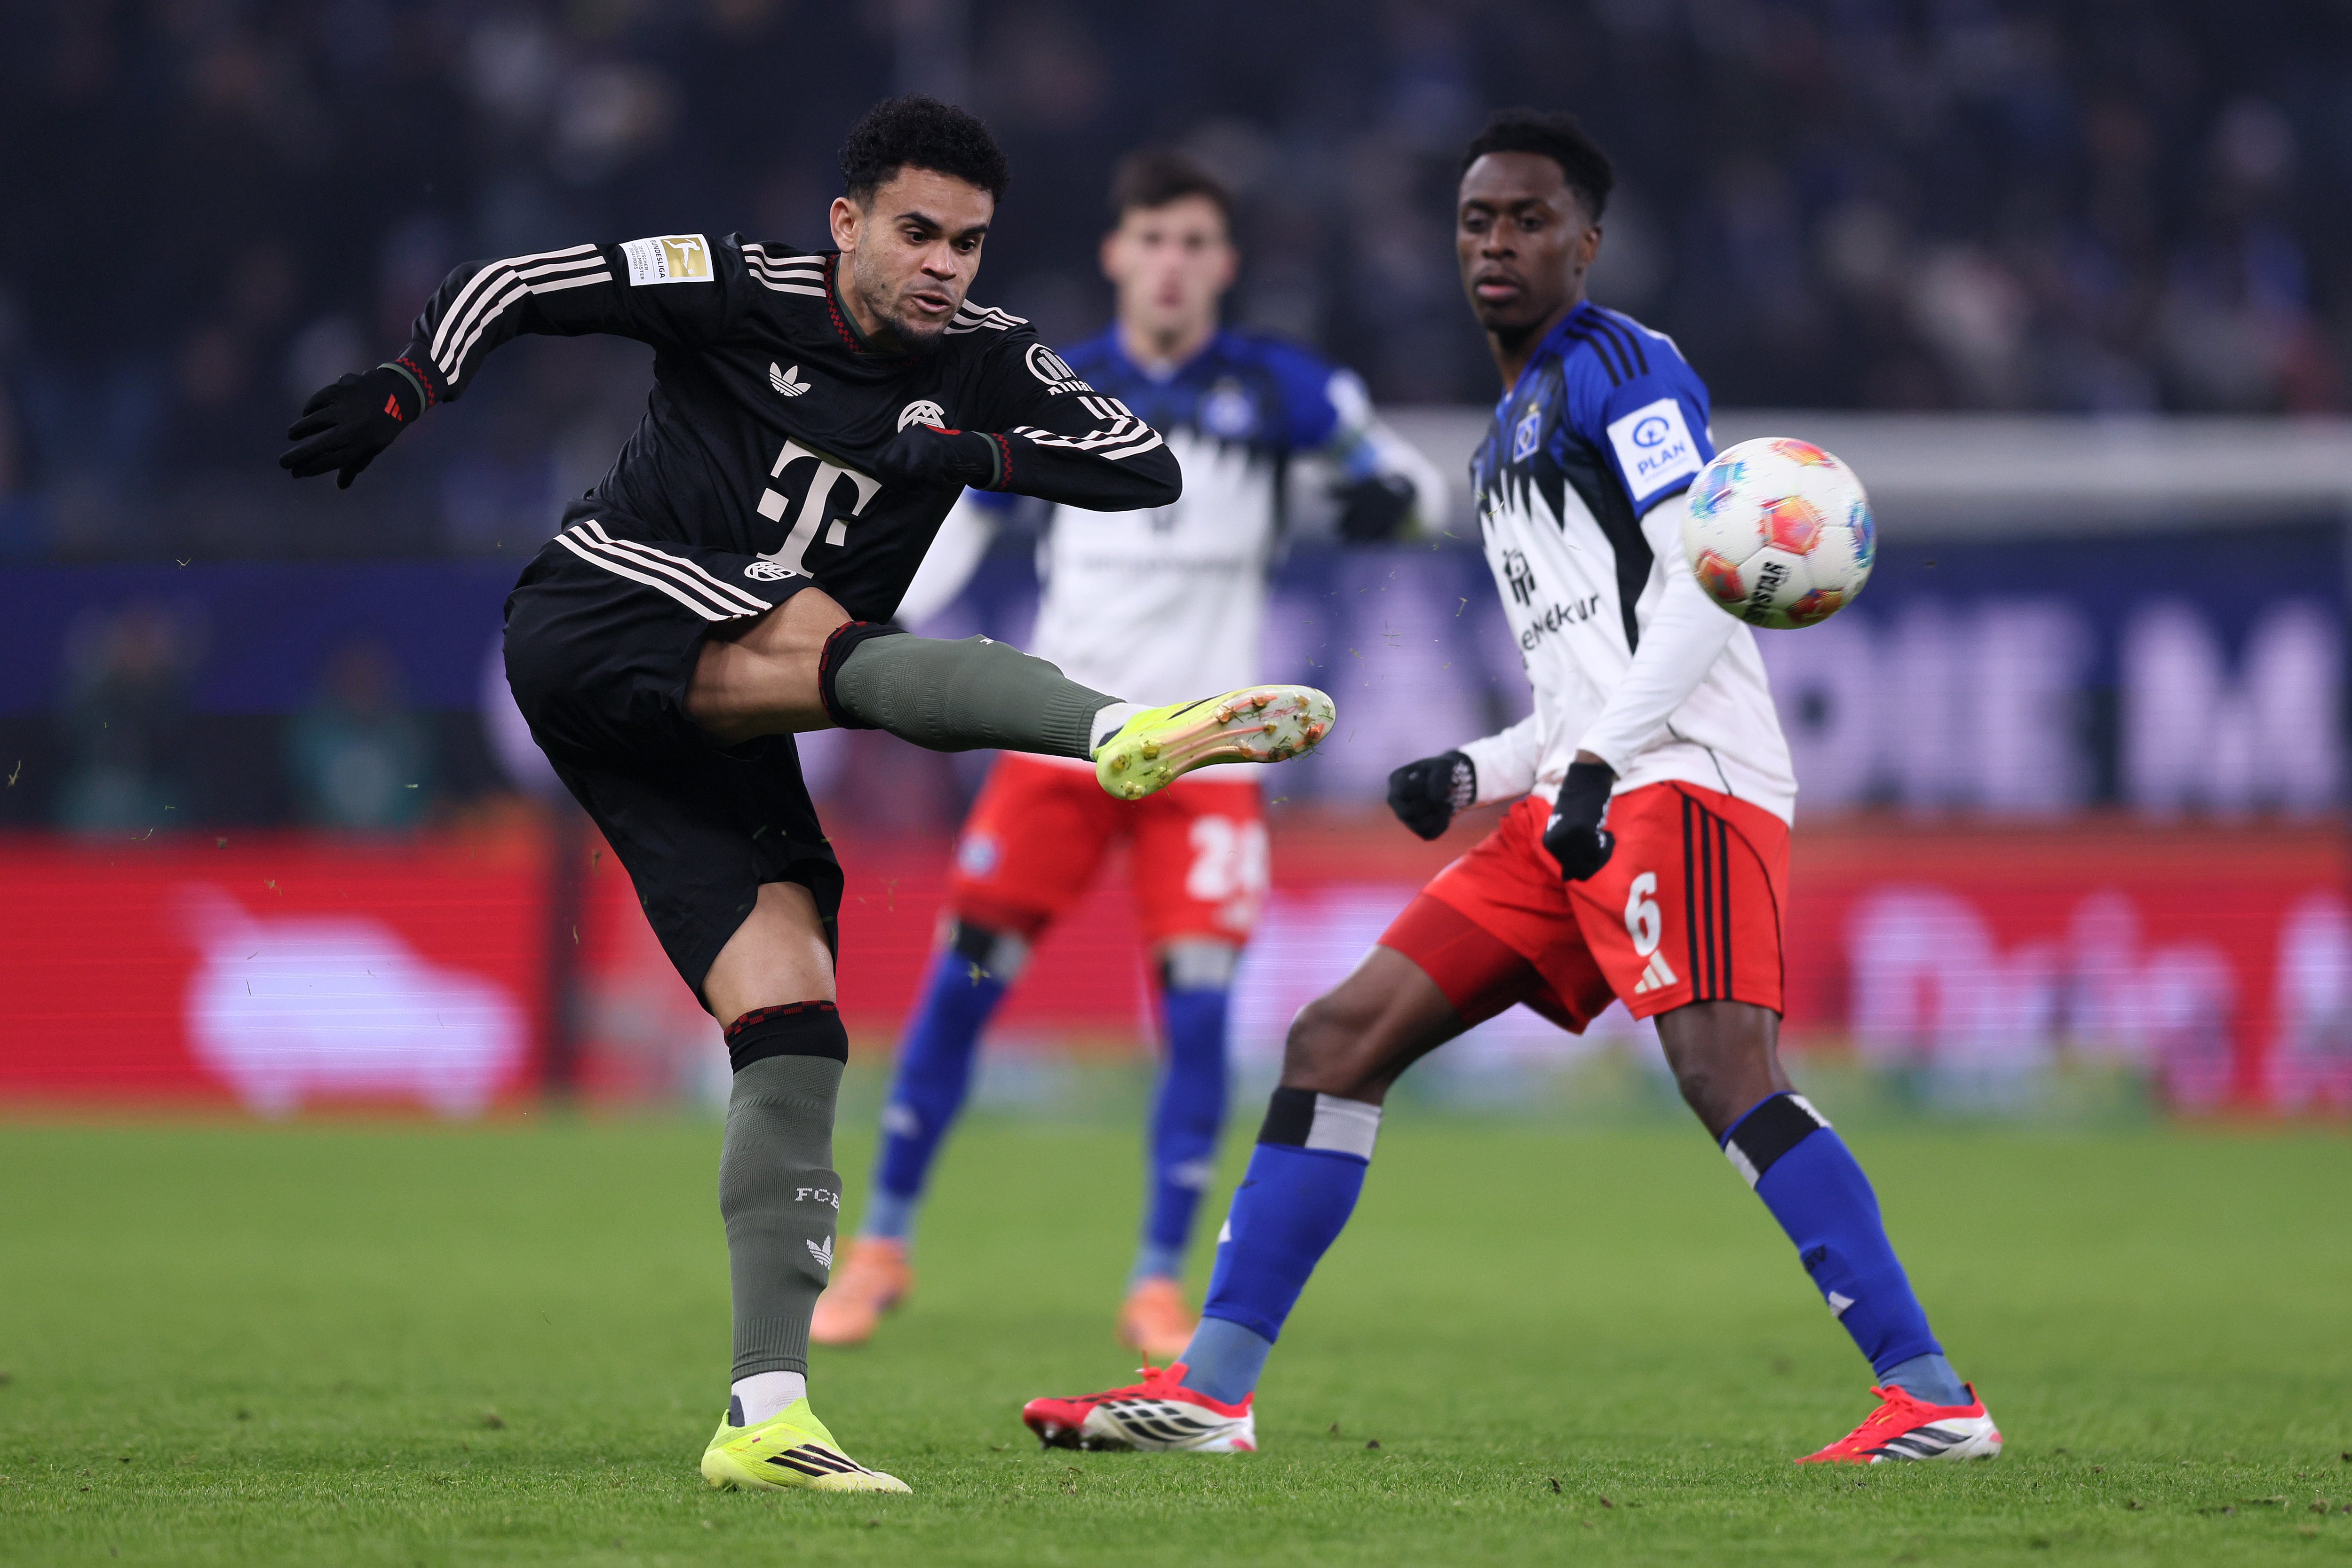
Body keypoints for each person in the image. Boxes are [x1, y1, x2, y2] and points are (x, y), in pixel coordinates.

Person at [278, 95, 1335, 1496]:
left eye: (968, 242)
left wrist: (973, 453)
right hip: (600, 617)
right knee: (832, 637)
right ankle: (1119, 731)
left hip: (712, 705)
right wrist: (415, 381)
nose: (945, 265)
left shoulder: (987, 356)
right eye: (917, 232)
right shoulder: (737, 285)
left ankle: (765, 1417)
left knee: (793, 1014)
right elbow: (522, 281)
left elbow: (1145, 467)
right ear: (847, 223)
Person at [1017, 108, 2001, 1466]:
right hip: (1576, 801)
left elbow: (1704, 585)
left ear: (1585, 244)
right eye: (1478, 220)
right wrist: (1481, 768)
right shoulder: (1502, 441)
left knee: (1726, 1071)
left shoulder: (1622, 368)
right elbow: (1583, 669)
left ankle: (1935, 1398)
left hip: (1685, 785)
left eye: (1529, 221)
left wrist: (1595, 766)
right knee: (1336, 1041)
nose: (1497, 242)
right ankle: (1212, 1393)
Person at [811, 150, 1446, 1361]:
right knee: (964, 983)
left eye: (1195, 244)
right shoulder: (1052, 384)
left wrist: (1393, 506)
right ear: (1117, 254)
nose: (1172, 264)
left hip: (1208, 759)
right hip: (1065, 744)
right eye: (1153, 239)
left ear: (1225, 264)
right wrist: (860, 626)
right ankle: (881, 1244)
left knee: (1198, 1015)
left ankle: (1157, 1277)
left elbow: (1413, 486)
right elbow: (956, 530)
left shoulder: (1283, 390)